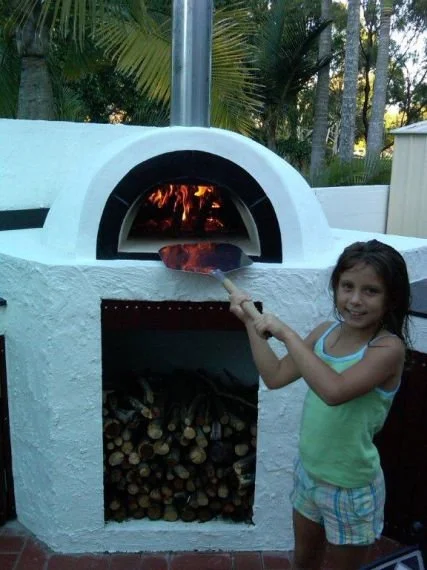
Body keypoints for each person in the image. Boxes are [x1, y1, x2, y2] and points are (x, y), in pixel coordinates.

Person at [229, 239, 411, 570]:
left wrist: (286, 334)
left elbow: (334, 390)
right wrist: (249, 322)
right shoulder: (325, 333)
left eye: (371, 291)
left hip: (351, 488)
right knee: (305, 561)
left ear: (391, 298)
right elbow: (275, 375)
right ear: (336, 287)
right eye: (347, 287)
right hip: (309, 474)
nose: (355, 300)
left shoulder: (387, 349)